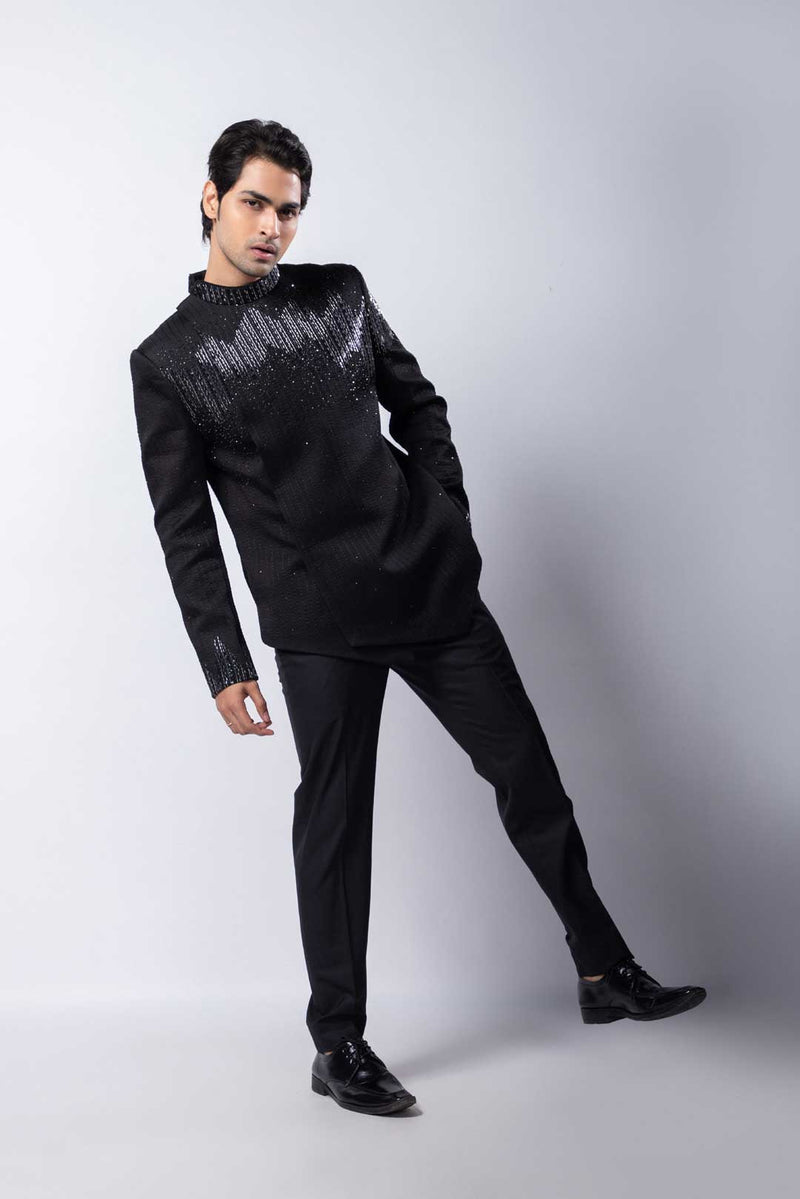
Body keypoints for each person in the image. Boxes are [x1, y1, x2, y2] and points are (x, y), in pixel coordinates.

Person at [130, 118, 707, 1118]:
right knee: (334, 822)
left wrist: (445, 510)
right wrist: (223, 659)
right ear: (212, 198)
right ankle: (338, 1042)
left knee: (530, 776)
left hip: (427, 583)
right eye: (256, 202)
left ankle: (603, 968)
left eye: (289, 210)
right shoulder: (169, 359)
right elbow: (184, 527)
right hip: (316, 619)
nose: (272, 227)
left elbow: (418, 402)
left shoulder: (340, 293)